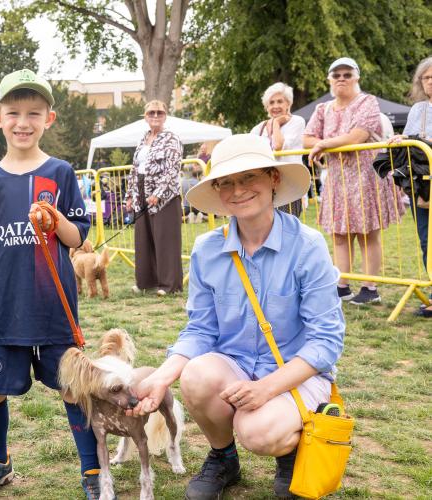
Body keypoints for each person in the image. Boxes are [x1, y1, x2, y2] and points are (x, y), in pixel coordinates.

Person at [129, 134, 346, 500]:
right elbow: (201, 329)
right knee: (195, 375)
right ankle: (223, 458)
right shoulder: (207, 249)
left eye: (249, 177)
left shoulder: (307, 245)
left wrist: (266, 389)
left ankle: (291, 450)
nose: (238, 190)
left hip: (295, 371)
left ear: (273, 179)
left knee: (256, 430)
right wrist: (162, 378)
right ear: (216, 191)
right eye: (226, 182)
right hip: (236, 366)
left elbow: (326, 341)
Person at [0, 69, 101, 500]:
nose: (23, 122)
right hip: (4, 306)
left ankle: (92, 469)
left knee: (73, 387)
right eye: (13, 113)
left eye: (34, 113)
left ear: (49, 119)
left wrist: (55, 219)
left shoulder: (60, 172)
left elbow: (77, 238)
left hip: (53, 306)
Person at [304, 57, 404, 305]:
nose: (341, 79)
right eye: (336, 75)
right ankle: (342, 284)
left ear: (356, 77)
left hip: (366, 176)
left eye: (347, 74)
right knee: (340, 234)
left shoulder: (367, 102)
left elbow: (357, 136)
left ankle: (370, 288)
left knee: (367, 233)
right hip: (337, 179)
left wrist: (324, 144)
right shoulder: (323, 109)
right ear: (329, 79)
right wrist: (324, 144)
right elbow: (306, 138)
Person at [124, 100, 184, 296]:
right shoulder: (143, 138)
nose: (155, 116)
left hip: (165, 196)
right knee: (143, 238)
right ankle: (145, 282)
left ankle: (169, 285)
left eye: (159, 112)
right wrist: (130, 196)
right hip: (141, 191)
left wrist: (158, 193)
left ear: (165, 115)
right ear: (145, 116)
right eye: (151, 113)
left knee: (165, 239)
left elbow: (172, 169)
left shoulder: (172, 138)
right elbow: (135, 169)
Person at [390, 56, 432, 317]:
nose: (431, 82)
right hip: (423, 185)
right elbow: (411, 142)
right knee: (427, 239)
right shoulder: (418, 110)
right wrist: (401, 140)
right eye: (427, 78)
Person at [250, 82, 306, 216]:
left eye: (280, 101)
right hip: (265, 185)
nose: (275, 106)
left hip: (289, 186)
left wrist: (276, 123)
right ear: (266, 107)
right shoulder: (259, 128)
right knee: (265, 224)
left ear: (288, 104)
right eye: (271, 102)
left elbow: (278, 146)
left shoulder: (297, 121)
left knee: (287, 225)